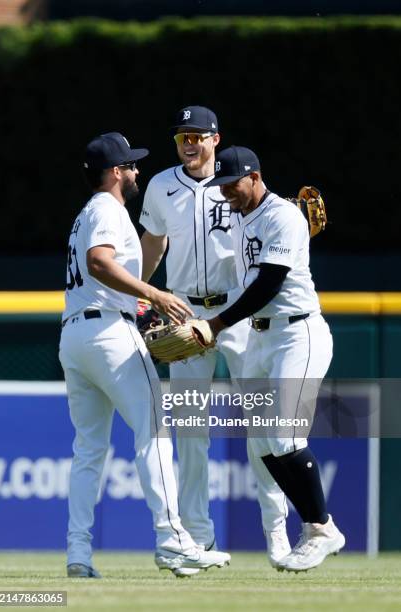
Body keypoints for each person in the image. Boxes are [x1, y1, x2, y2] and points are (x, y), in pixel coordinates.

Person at [58, 131, 231, 578]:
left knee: (88, 450)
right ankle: (173, 540)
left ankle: (78, 553)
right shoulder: (107, 210)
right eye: (130, 165)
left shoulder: (85, 213)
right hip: (109, 336)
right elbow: (99, 261)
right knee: (154, 431)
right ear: (115, 173)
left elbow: (98, 273)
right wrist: (152, 293)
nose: (137, 171)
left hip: (76, 335)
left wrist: (135, 299)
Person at [140, 107, 290, 576]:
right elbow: (153, 242)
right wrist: (142, 297)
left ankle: (278, 535)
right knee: (189, 431)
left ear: (215, 138)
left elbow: (270, 222)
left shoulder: (236, 181)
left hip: (238, 312)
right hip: (183, 310)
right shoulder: (161, 185)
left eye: (197, 135)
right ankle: (197, 539)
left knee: (264, 426)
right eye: (182, 136)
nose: (188, 142)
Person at [206, 145, 345, 572]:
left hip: (297, 333)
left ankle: (321, 529)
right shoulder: (243, 218)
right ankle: (317, 527)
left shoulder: (283, 216)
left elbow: (268, 284)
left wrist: (216, 325)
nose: (226, 191)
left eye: (232, 184)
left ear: (254, 176)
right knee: (265, 443)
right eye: (221, 185)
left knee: (284, 436)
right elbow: (247, 283)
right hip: (263, 338)